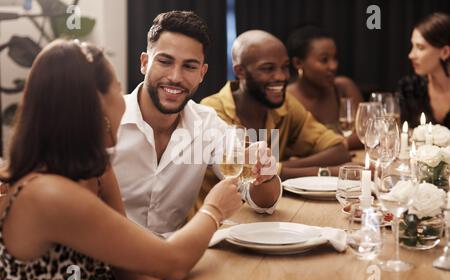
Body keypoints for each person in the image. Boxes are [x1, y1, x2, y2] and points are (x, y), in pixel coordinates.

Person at [0, 39, 243, 280]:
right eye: (117, 90)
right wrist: (214, 209)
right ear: (96, 106)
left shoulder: (99, 172)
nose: (125, 103)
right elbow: (174, 262)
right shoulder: (48, 194)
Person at [111, 11, 281, 237]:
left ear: (202, 73)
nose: (175, 77)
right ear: (144, 63)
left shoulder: (207, 124)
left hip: (177, 258)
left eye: (189, 66)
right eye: (164, 61)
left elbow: (262, 201)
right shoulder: (107, 120)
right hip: (108, 260)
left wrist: (265, 174)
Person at [198, 30, 351, 210]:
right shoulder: (212, 110)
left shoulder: (286, 105)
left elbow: (339, 150)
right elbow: (242, 177)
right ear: (239, 71)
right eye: (268, 68)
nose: (281, 76)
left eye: (285, 67)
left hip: (267, 213)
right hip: (216, 223)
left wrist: (278, 167)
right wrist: (322, 171)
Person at [286, 26, 363, 150]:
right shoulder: (287, 98)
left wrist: (330, 148)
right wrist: (337, 148)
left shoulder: (343, 88)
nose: (333, 66)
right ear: (298, 63)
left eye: (335, 58)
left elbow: (366, 134)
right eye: (324, 60)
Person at [398, 12, 450, 128]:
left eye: (420, 47)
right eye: (413, 46)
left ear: (445, 52)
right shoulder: (410, 88)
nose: (411, 55)